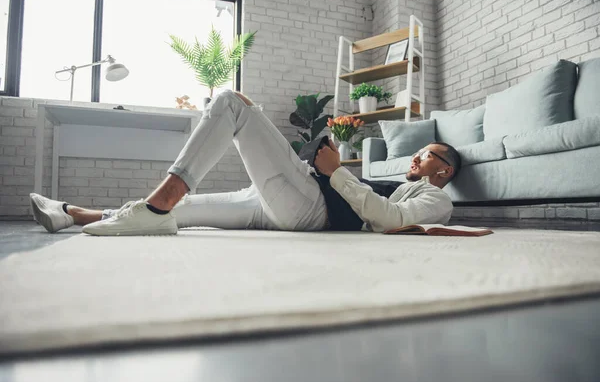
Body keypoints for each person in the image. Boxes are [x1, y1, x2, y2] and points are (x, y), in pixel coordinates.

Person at [29, 90, 460, 236]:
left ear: (444, 171)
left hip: (312, 208)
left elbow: (390, 220)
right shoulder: (400, 178)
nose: (418, 155)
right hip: (279, 202)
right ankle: (72, 214)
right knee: (186, 214)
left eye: (428, 154)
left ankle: (160, 202)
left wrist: (335, 171)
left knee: (231, 104)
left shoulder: (437, 202)